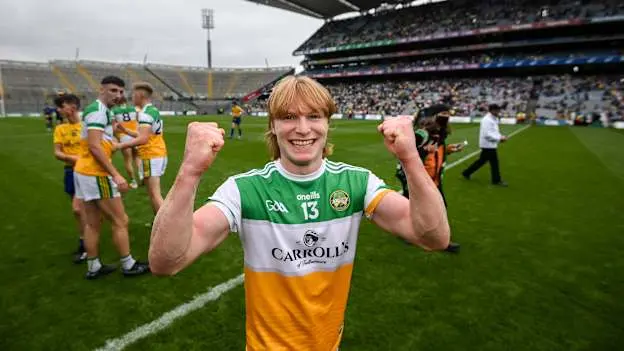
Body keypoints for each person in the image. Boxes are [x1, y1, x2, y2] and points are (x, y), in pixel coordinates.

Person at [149, 76, 450, 350]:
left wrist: (410, 157)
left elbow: (434, 237)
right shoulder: (244, 190)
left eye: (314, 116)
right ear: (273, 126)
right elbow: (166, 261)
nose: (303, 128)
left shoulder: (357, 182)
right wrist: (189, 171)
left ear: (327, 123)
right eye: (289, 117)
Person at [73, 76, 150, 279]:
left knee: (92, 223)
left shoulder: (99, 111)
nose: (118, 95)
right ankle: (128, 264)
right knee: (120, 220)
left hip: (83, 171)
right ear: (102, 90)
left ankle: (93, 266)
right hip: (95, 173)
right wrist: (116, 174)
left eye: (120, 91)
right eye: (113, 90)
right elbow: (95, 146)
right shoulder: (98, 111)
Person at [396, 105, 463, 253]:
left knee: (437, 206)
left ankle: (435, 236)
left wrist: (449, 149)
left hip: (432, 179)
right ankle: (416, 234)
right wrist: (423, 151)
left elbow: (437, 152)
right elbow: (403, 152)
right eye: (442, 115)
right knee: (417, 207)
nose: (446, 119)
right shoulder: (422, 134)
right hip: (417, 179)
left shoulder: (439, 133)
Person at [115, 82, 167, 215]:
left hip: (151, 154)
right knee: (153, 193)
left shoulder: (145, 114)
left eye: (133, 95)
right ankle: (160, 222)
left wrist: (120, 145)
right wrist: (125, 130)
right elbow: (144, 135)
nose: (132, 98)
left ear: (140, 95)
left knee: (154, 194)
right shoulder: (152, 110)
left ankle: (166, 226)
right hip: (158, 152)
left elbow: (143, 139)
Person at [52, 94, 87, 263]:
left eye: (61, 106)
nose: (59, 109)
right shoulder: (60, 129)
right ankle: (84, 242)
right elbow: (57, 152)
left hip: (89, 171)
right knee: (79, 211)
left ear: (72, 107)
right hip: (71, 171)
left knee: (79, 209)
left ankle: (86, 244)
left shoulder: (87, 126)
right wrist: (73, 159)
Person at [462, 104, 508, 186]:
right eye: (497, 110)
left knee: (482, 161)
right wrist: (499, 138)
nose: (498, 112)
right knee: (494, 163)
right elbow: (487, 134)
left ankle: (466, 173)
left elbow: (494, 132)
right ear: (492, 110)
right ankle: (496, 180)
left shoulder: (493, 119)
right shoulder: (487, 120)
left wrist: (500, 137)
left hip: (490, 144)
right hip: (488, 145)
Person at [111, 96, 139, 189]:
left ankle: (133, 181)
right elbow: (138, 122)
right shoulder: (133, 109)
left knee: (128, 160)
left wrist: (116, 136)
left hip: (124, 136)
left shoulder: (114, 111)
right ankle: (142, 177)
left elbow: (114, 127)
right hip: (135, 135)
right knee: (137, 157)